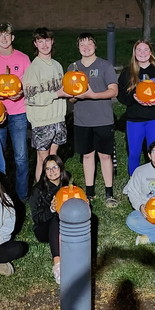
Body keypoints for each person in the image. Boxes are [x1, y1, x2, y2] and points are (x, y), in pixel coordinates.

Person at [64, 32, 119, 207]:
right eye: (82, 44)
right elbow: (70, 96)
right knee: (87, 156)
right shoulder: (73, 67)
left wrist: (93, 95)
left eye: (89, 44)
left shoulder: (105, 65)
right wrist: (73, 97)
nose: (86, 47)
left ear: (95, 46)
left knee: (105, 156)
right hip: (82, 120)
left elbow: (113, 91)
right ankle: (90, 192)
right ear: (78, 47)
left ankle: (109, 193)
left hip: (103, 118)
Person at [0, 23, 31, 201]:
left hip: (18, 112)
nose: (4, 39)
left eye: (7, 35)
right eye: (0, 36)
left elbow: (29, 83)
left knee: (20, 156)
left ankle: (21, 195)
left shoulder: (23, 58)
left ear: (13, 37)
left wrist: (22, 92)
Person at [117, 40, 155, 175]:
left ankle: (154, 180)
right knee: (134, 153)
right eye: (139, 50)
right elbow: (121, 95)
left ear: (151, 52)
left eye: (146, 49)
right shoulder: (127, 73)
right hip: (135, 119)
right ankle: (134, 182)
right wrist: (133, 99)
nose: (142, 53)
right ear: (134, 53)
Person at [22, 28, 68, 183]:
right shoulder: (33, 69)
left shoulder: (57, 66)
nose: (44, 44)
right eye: (40, 41)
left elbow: (64, 89)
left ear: (52, 41)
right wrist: (56, 94)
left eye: (47, 40)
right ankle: (43, 191)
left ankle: (51, 189)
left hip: (58, 118)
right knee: (44, 159)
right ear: (35, 44)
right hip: (42, 120)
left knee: (53, 157)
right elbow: (30, 98)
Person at [28, 154, 71, 283]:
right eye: (48, 169)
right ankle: (57, 264)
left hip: (64, 228)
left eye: (55, 167)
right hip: (43, 230)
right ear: (44, 171)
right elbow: (36, 218)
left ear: (61, 168)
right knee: (55, 217)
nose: (52, 171)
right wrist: (51, 209)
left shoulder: (67, 186)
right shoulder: (38, 190)